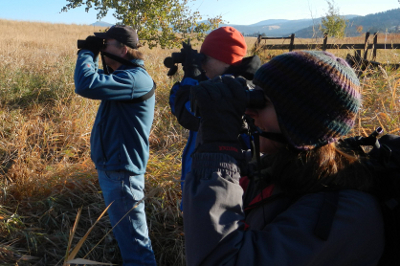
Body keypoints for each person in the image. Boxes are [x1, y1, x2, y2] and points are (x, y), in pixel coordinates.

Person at [184, 50, 385, 265]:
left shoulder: (345, 214)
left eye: (265, 100)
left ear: (302, 120)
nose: (250, 111)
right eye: (255, 93)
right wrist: (215, 129)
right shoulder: (271, 169)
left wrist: (218, 153)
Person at [74, 25, 157, 266]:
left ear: (123, 48)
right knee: (129, 240)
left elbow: (86, 84)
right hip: (116, 169)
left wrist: (86, 53)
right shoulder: (124, 76)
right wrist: (100, 55)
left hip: (122, 174)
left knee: (136, 247)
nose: (101, 48)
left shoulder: (134, 79)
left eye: (105, 44)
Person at [169, 26, 261, 202]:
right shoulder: (218, 84)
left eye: (206, 59)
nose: (202, 65)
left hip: (218, 189)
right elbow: (177, 105)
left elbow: (188, 114)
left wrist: (191, 75)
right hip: (205, 182)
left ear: (226, 61)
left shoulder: (236, 91)